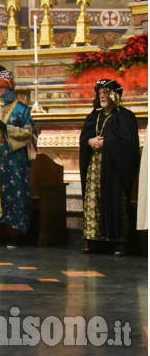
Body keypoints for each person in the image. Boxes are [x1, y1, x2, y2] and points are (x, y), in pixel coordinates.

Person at [79, 79, 139, 256]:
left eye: (106, 93)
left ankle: (117, 241)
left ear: (114, 95)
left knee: (114, 201)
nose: (103, 96)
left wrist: (107, 143)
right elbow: (84, 138)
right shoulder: (94, 116)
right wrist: (90, 141)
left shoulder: (125, 117)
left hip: (114, 169)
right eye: (100, 93)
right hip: (94, 168)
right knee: (94, 201)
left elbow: (128, 143)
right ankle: (95, 239)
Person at [0, 71, 36, 249]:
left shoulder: (22, 109)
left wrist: (7, 128)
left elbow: (29, 134)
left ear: (10, 88)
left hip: (13, 157)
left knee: (14, 192)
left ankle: (15, 233)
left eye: (2, 87)